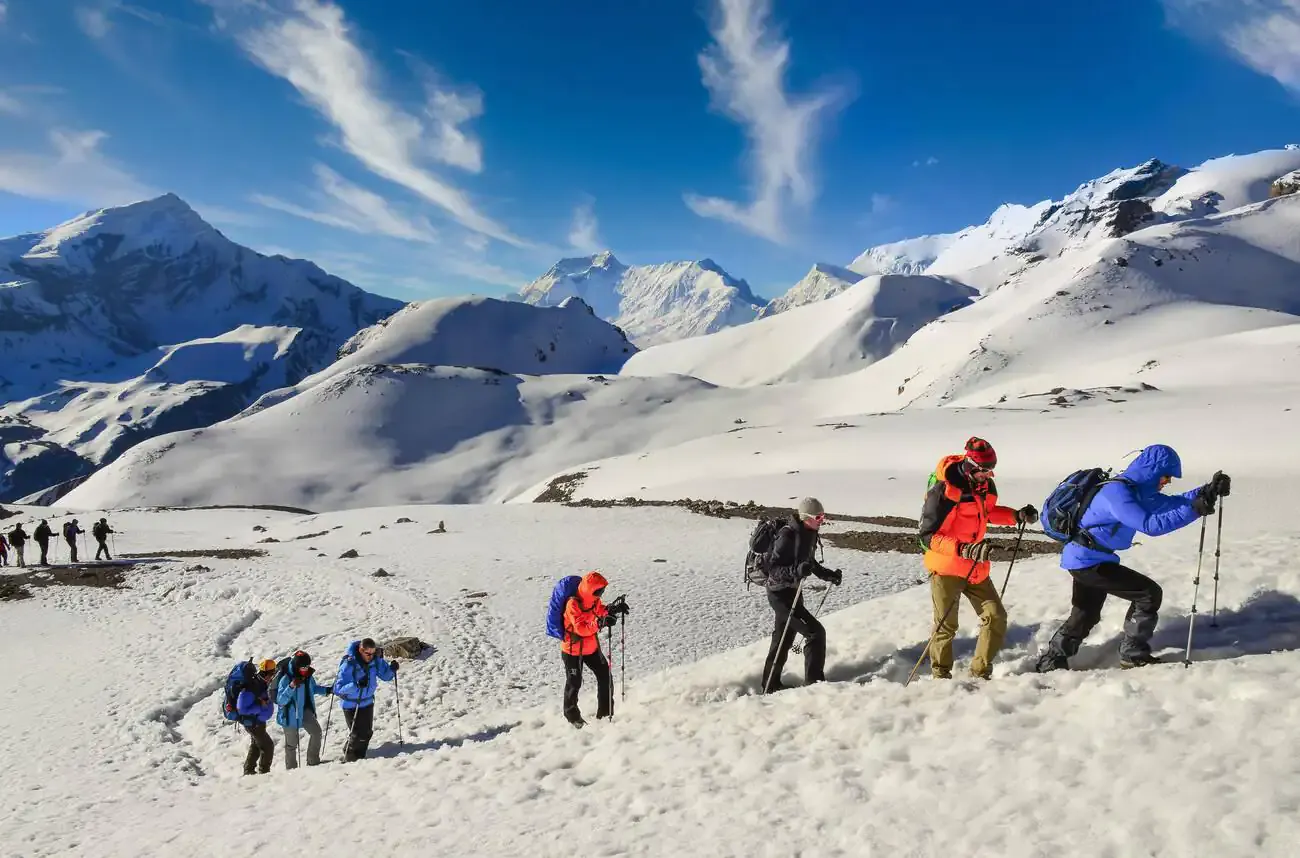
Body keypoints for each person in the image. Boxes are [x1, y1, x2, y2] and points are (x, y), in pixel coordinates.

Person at [1035, 445, 1229, 671]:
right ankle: (1132, 654)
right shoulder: (1117, 493)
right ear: (1153, 470)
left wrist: (1206, 492)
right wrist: (1195, 510)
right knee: (1148, 594)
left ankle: (1052, 661)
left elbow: (1169, 504)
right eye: (1166, 476)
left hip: (1089, 558)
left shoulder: (1136, 491)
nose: (1167, 481)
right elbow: (1150, 525)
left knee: (1085, 614)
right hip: (1089, 561)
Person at [918, 437, 1038, 680]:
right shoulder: (945, 490)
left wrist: (1016, 515)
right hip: (947, 566)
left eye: (990, 470)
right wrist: (963, 549)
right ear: (969, 465)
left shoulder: (986, 487)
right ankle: (940, 676)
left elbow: (988, 512)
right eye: (983, 470)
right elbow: (927, 537)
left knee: (996, 616)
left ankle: (979, 673)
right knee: (946, 625)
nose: (987, 475)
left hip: (975, 566)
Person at [761, 498, 843, 694]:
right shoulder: (787, 536)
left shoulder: (809, 533)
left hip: (793, 592)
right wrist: (796, 571)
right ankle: (814, 686)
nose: (822, 520)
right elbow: (774, 569)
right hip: (779, 594)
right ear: (806, 517)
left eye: (823, 516)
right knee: (815, 633)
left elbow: (809, 563)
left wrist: (827, 575)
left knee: (783, 639)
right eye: (818, 517)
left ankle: (770, 686)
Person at [560, 571, 629, 727]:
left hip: (591, 647)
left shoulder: (593, 600)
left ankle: (605, 714)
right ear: (588, 590)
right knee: (574, 682)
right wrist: (600, 624)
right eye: (598, 591)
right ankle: (572, 716)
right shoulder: (573, 604)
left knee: (605, 676)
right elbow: (581, 628)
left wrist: (612, 610)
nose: (600, 594)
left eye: (602, 591)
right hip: (572, 650)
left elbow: (599, 611)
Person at [333, 638, 398, 762]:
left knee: (367, 733)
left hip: (367, 702)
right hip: (352, 704)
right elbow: (338, 689)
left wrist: (392, 669)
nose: (371, 656)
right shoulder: (349, 664)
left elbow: (385, 676)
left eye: (373, 653)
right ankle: (350, 758)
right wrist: (356, 685)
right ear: (360, 650)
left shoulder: (375, 661)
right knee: (357, 734)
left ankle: (360, 758)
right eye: (368, 654)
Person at [275, 650, 332, 769]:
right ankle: (291, 770)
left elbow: (313, 688)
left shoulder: (308, 676)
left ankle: (313, 762)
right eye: (303, 667)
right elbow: (280, 700)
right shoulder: (285, 679)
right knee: (291, 745)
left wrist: (326, 690)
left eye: (307, 666)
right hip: (290, 714)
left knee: (316, 733)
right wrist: (291, 686)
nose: (306, 669)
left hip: (305, 710)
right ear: (296, 666)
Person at [238, 659, 277, 776]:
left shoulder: (261, 684)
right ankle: (264, 772)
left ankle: (248, 771)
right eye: (272, 674)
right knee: (268, 746)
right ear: (265, 673)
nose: (273, 677)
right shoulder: (251, 687)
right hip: (253, 723)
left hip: (258, 722)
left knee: (256, 745)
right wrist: (260, 707)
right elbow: (242, 709)